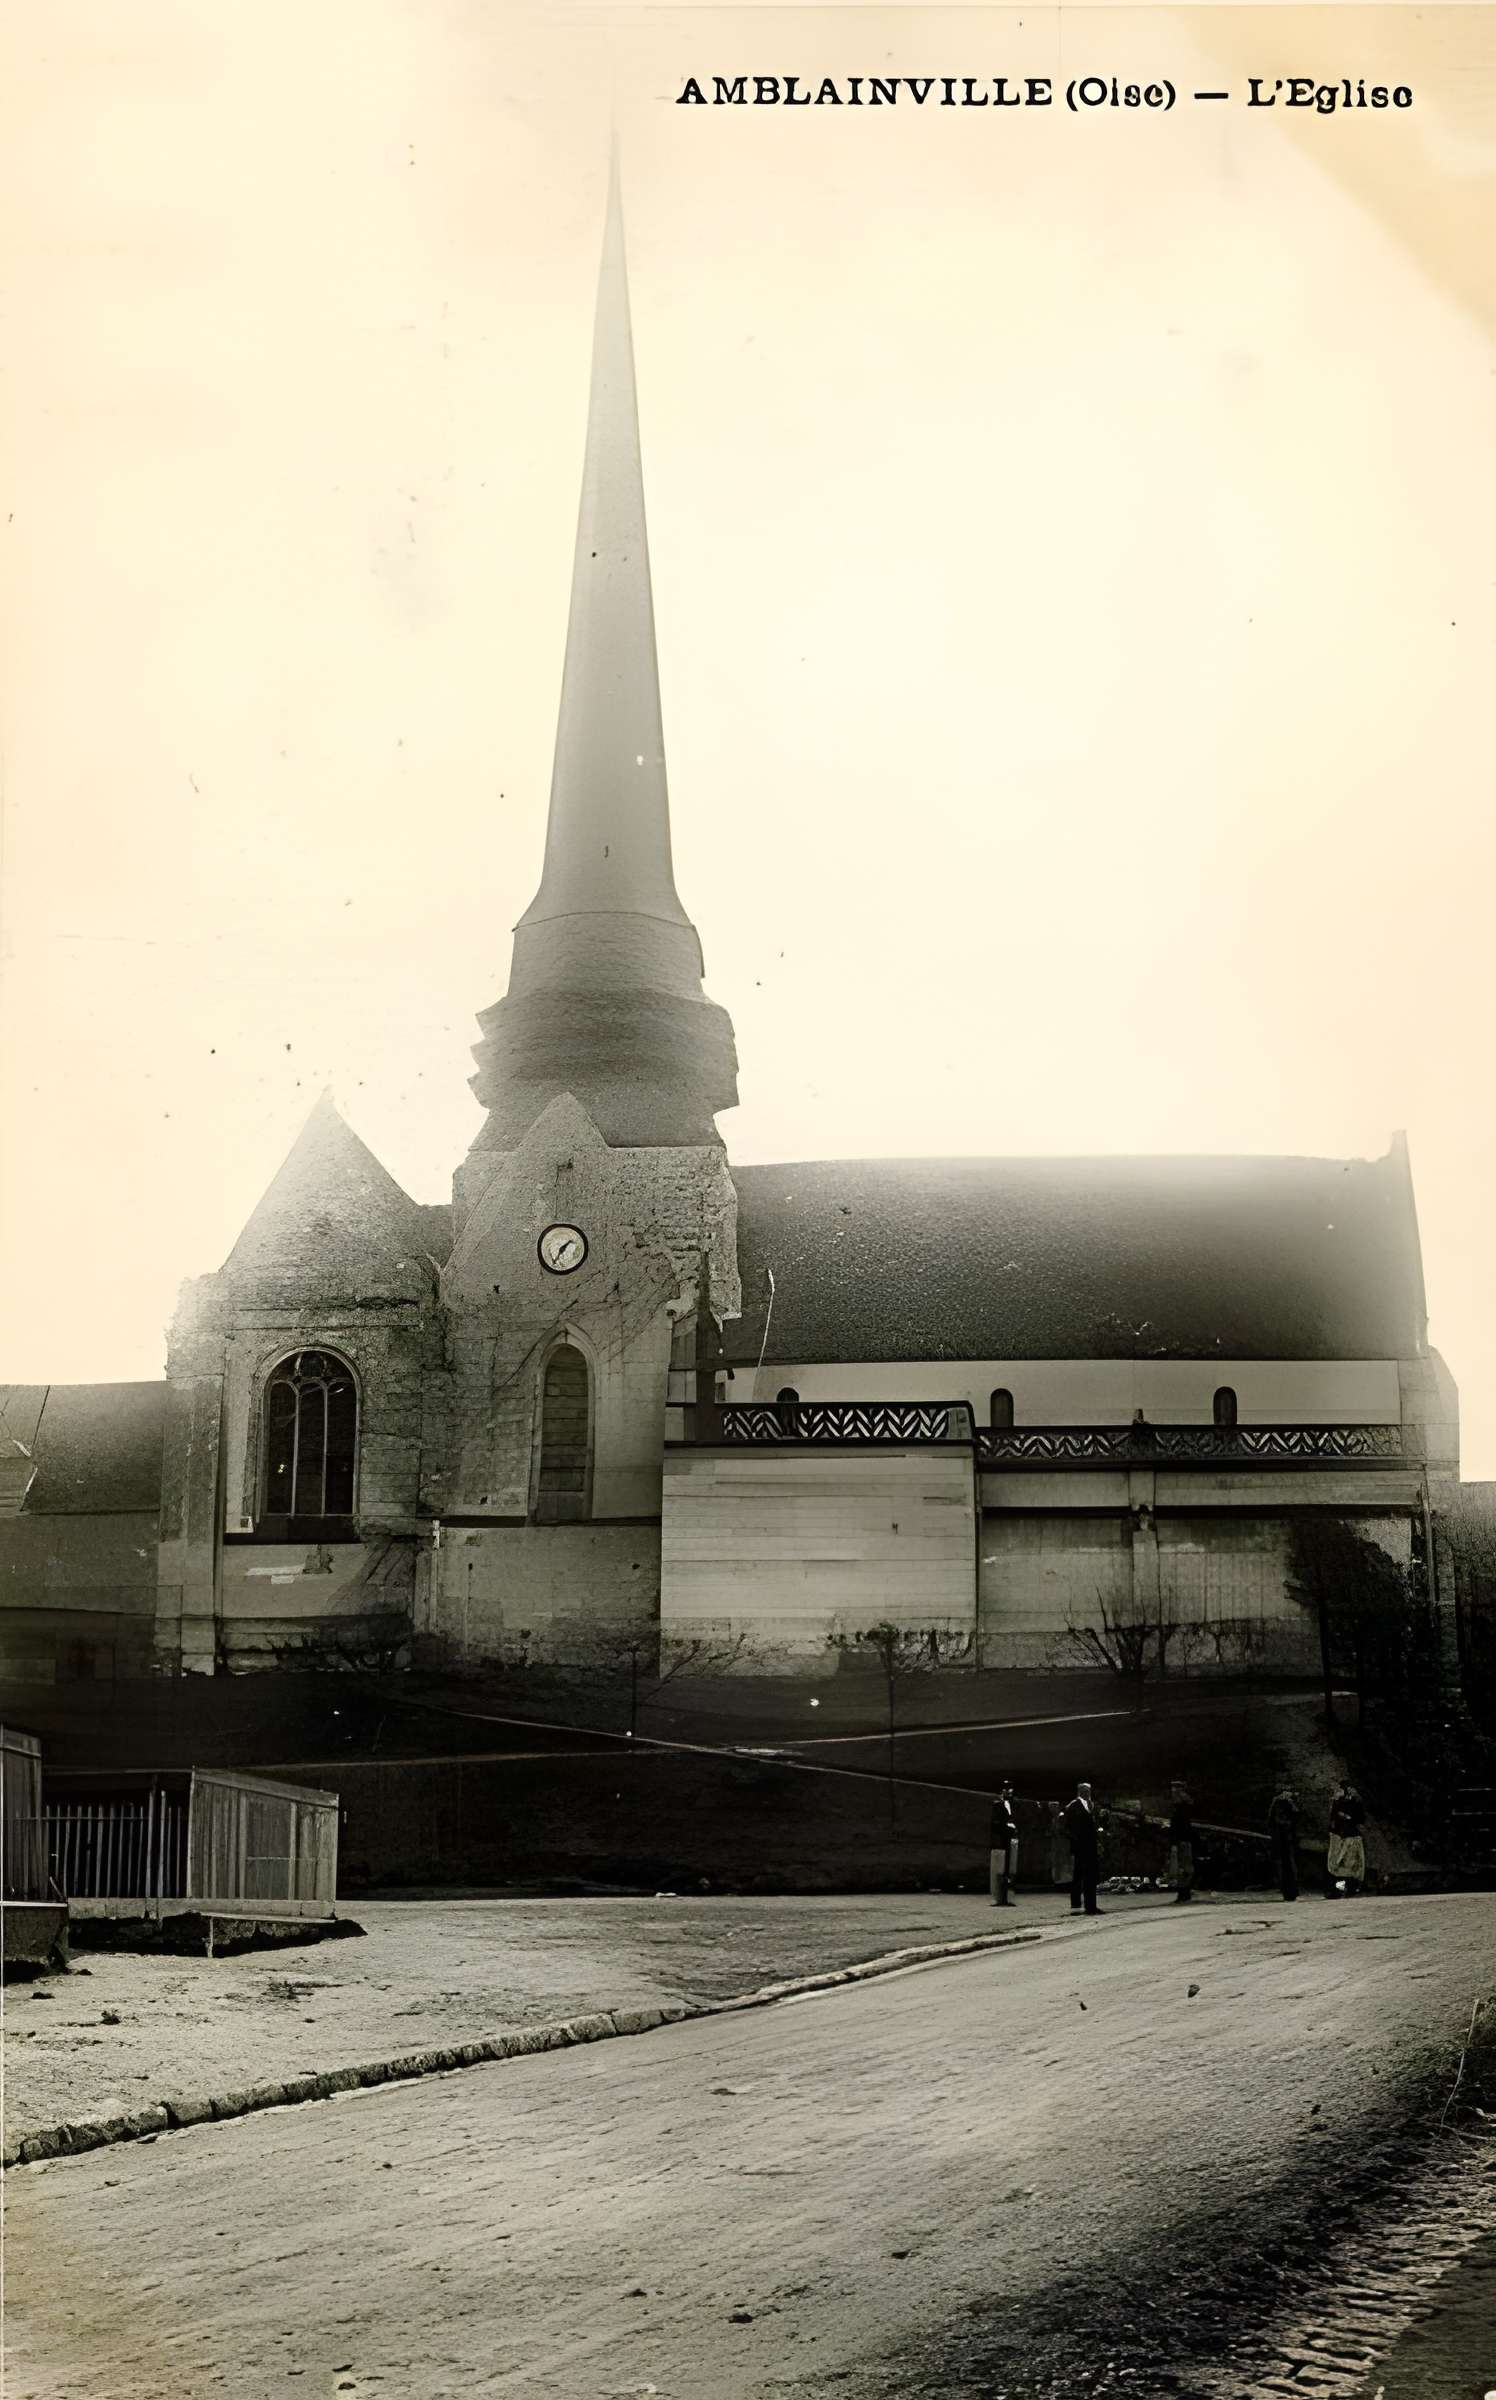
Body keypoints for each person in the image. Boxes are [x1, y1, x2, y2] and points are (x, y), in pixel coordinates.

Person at [1063, 1780, 1102, 1915]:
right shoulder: (1073, 1806)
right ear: (1080, 1792)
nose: (1088, 1793)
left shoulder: (1090, 1805)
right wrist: (1076, 1840)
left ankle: (1086, 1904)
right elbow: (1066, 1828)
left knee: (1085, 1875)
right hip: (1081, 1847)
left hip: (1089, 1846)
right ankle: (1087, 1905)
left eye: (1089, 1791)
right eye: (1085, 1791)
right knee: (1083, 1876)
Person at [1327, 1782, 1367, 1897]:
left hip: (1351, 1836)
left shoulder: (1356, 1802)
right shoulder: (1338, 1802)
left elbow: (1361, 1819)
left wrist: (1348, 1817)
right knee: (1338, 1863)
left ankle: (1350, 1888)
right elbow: (1333, 1818)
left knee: (1351, 1863)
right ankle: (1338, 1889)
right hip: (1340, 1835)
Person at [1267, 1785, 1300, 1900]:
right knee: (1285, 1864)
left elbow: (1297, 1814)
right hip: (1282, 1837)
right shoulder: (1277, 1802)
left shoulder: (1289, 1802)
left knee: (1289, 1865)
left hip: (1287, 1837)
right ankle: (1288, 1891)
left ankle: (1291, 1892)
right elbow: (1274, 1819)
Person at [989, 1780, 1019, 1908]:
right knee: (1000, 1868)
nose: (1008, 1792)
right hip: (1002, 1839)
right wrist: (1008, 1827)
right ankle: (999, 1897)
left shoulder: (1014, 1804)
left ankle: (1009, 1896)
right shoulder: (997, 1805)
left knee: (1011, 1867)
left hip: (1012, 1839)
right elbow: (995, 1824)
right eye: (1006, 1790)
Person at [1168, 1780, 1196, 1903]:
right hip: (1184, 1840)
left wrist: (1174, 1842)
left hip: (1182, 1841)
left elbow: (1178, 1828)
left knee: (1182, 1868)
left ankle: (1183, 1893)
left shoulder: (1180, 1810)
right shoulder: (1183, 1809)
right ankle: (1184, 1892)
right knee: (1183, 1868)